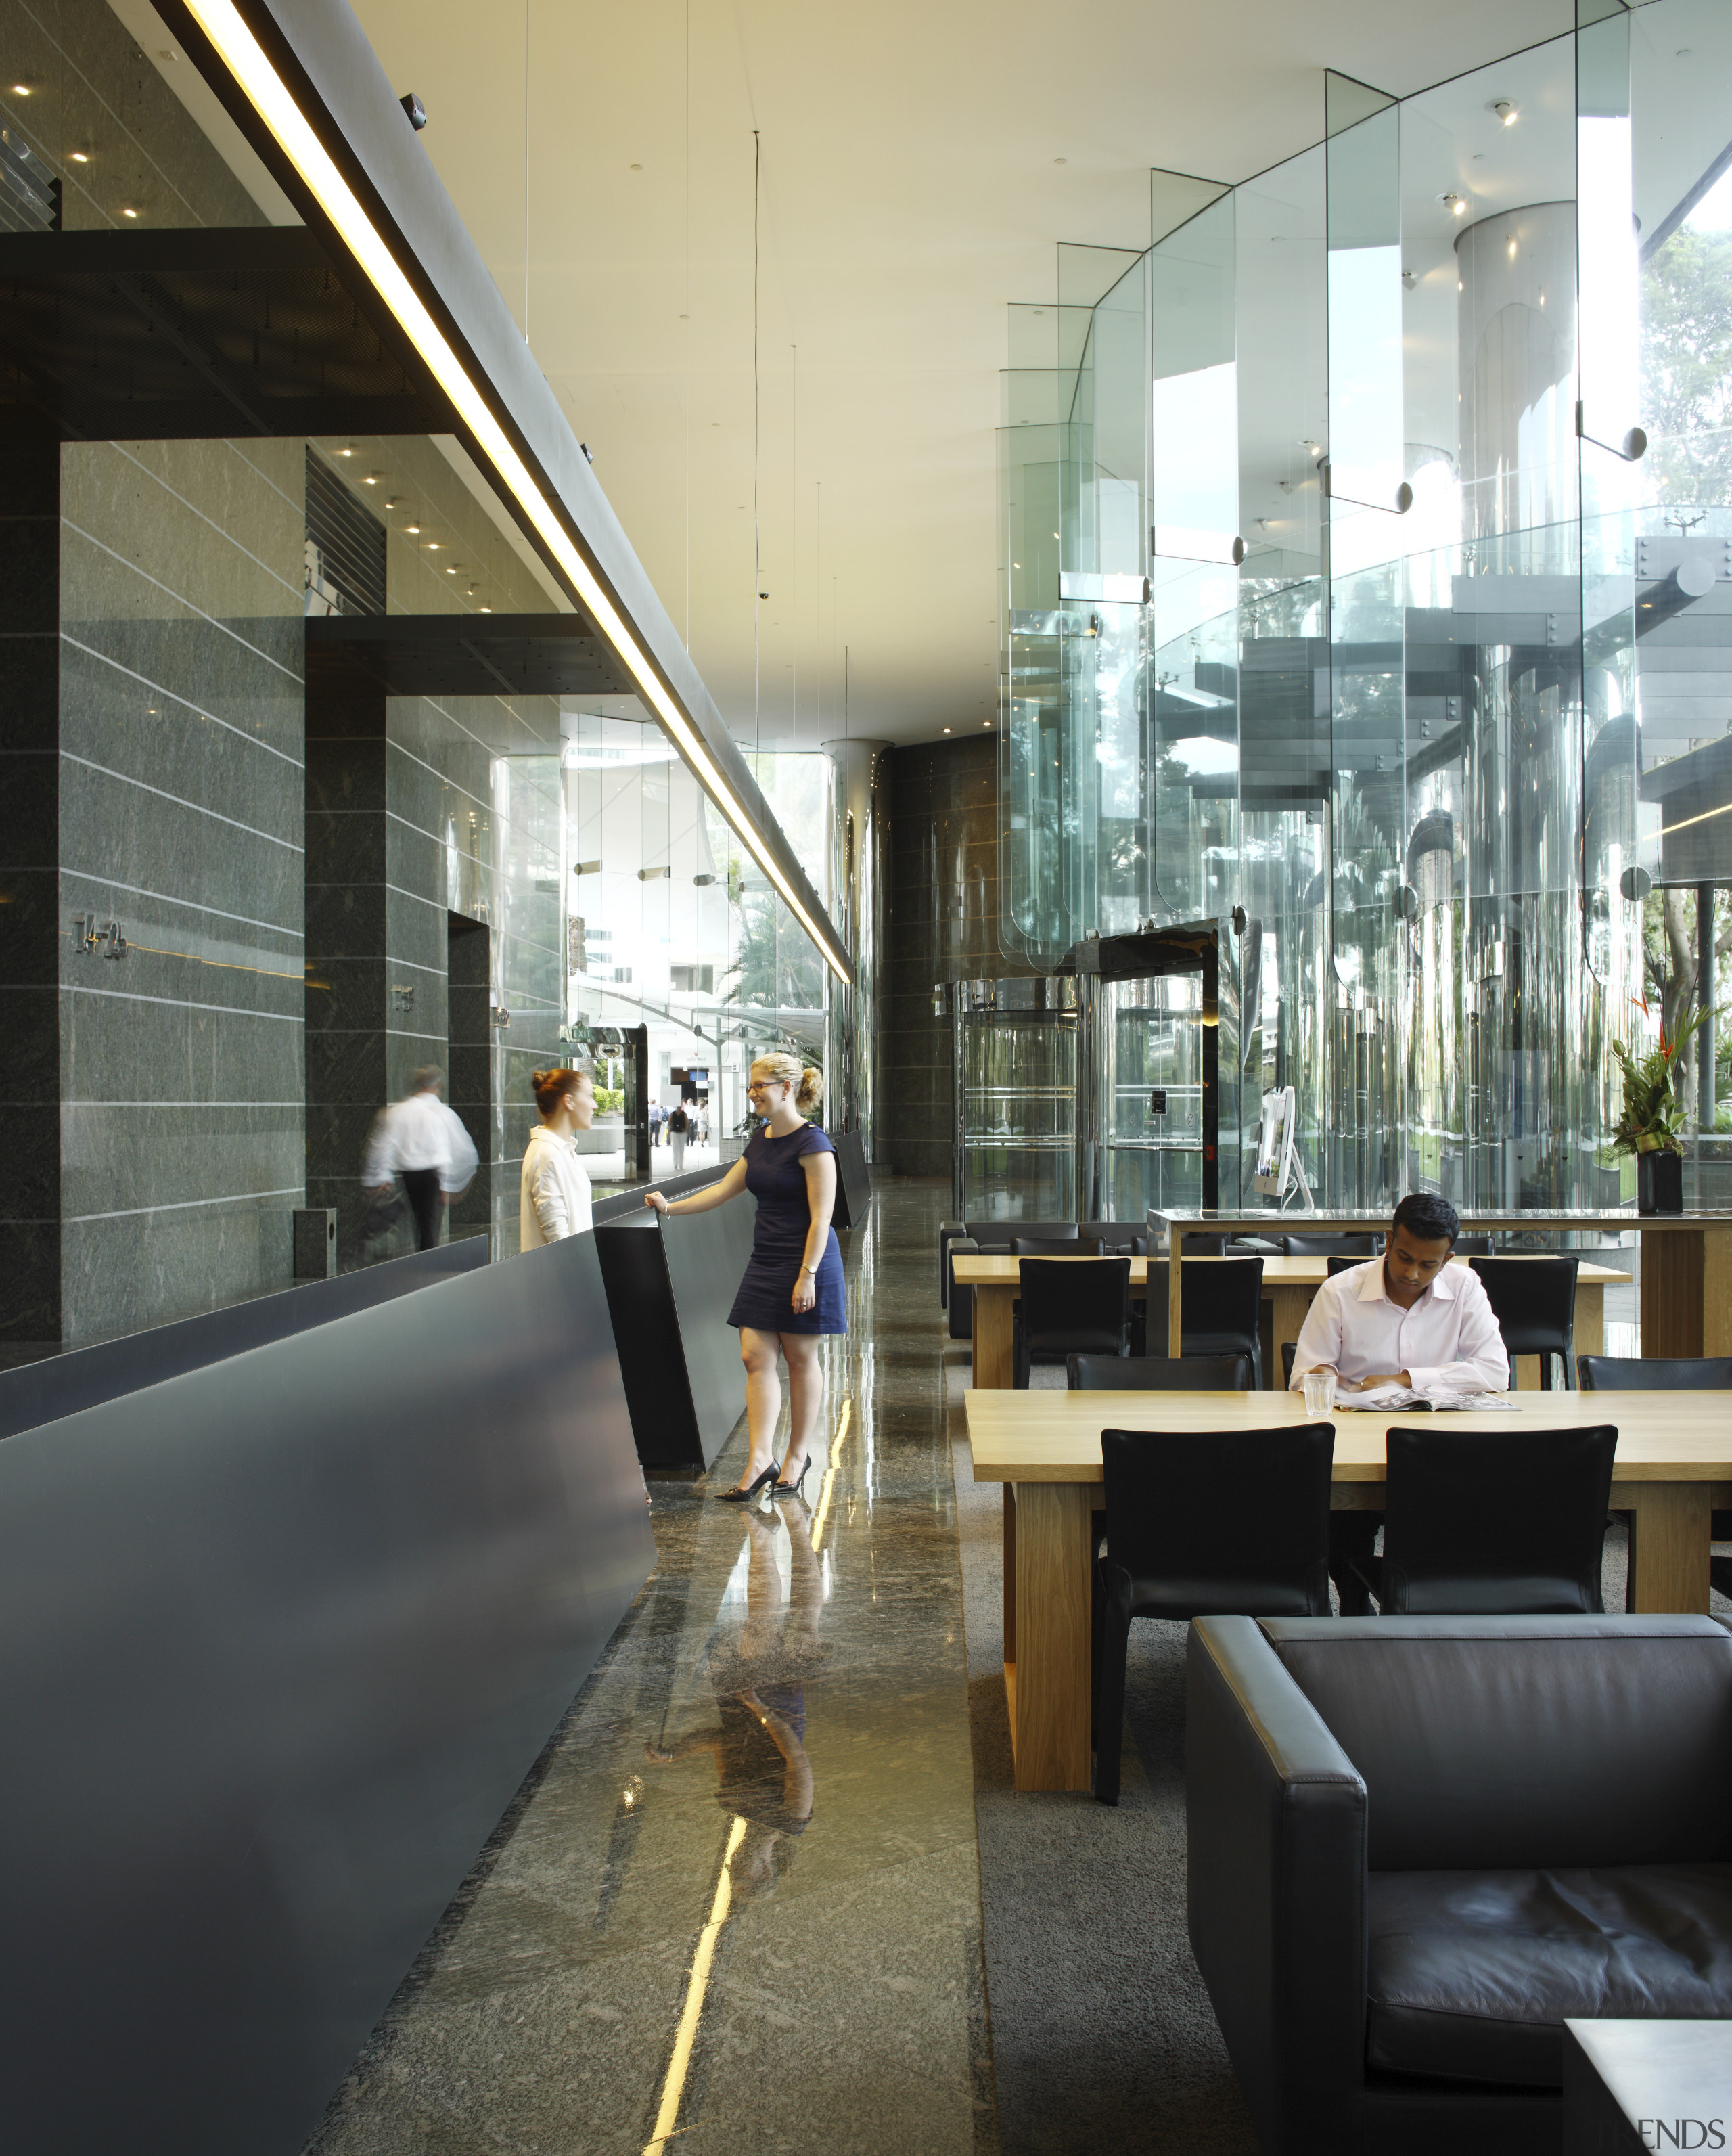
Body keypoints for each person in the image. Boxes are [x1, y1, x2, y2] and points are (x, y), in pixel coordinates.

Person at [1288, 1190, 1509, 1613]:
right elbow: (1304, 1375)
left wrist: (1405, 1379)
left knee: (1466, 1510)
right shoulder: (1340, 1292)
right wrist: (1326, 1377)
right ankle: (1355, 1595)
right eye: (1404, 1257)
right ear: (1388, 1241)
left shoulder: (1464, 1287)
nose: (1412, 1273)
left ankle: (1433, 1604)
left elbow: (1496, 1371)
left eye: (1429, 1265)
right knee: (1342, 1515)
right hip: (1357, 1436)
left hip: (1438, 1442)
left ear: (1448, 1258)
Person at [644, 1053, 844, 1501]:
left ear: (787, 1088)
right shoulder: (761, 1139)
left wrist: (808, 1276)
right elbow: (723, 1190)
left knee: (799, 1359)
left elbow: (822, 1218)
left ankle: (795, 1457)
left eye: (759, 1086)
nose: (752, 1093)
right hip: (767, 1259)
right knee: (755, 1356)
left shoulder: (814, 1145)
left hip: (806, 1261)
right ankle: (759, 1459)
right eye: (750, 1086)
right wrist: (671, 1207)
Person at [362, 1066, 475, 1254]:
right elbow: (457, 1150)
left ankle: (419, 1255)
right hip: (433, 1175)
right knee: (430, 1224)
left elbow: (384, 1144)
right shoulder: (441, 1113)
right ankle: (428, 1261)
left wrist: (380, 1176)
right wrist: (448, 1185)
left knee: (418, 1218)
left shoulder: (399, 1111)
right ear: (436, 1086)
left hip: (409, 1174)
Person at [520, 1066, 595, 1249]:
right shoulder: (546, 1153)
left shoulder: (563, 1149)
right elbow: (557, 1233)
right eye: (589, 1096)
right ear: (568, 1101)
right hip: (559, 1273)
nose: (595, 1105)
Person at [668, 1100, 689, 1172]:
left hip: (682, 1133)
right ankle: (675, 1164)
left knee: (681, 1148)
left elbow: (686, 1122)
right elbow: (669, 1122)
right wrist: (670, 1130)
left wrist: (685, 1130)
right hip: (674, 1132)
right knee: (675, 1147)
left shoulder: (684, 1114)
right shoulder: (673, 1114)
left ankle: (681, 1164)